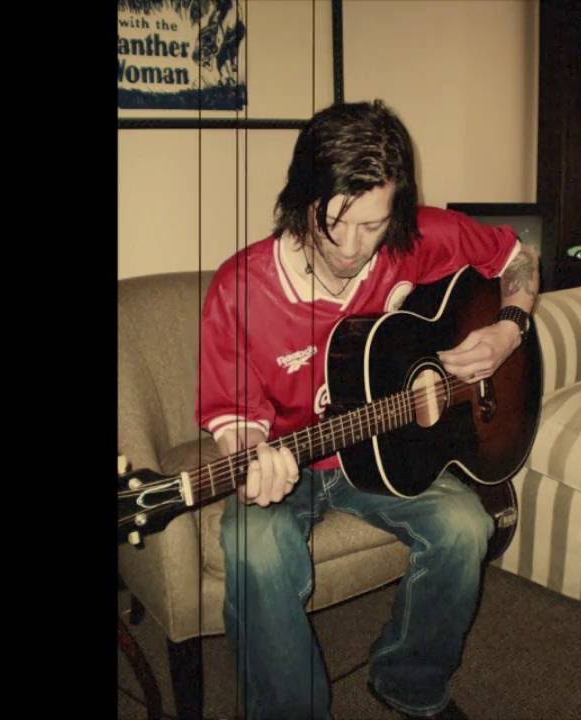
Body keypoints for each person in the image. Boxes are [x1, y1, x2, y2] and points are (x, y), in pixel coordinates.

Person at [195, 100, 540, 720]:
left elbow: (518, 257)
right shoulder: (240, 290)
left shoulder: (414, 238)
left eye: (374, 225)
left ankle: (409, 681)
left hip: (386, 456)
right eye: (335, 221)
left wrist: (508, 329)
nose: (353, 247)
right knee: (252, 544)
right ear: (304, 198)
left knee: (466, 526)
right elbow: (236, 419)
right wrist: (252, 460)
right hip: (293, 462)